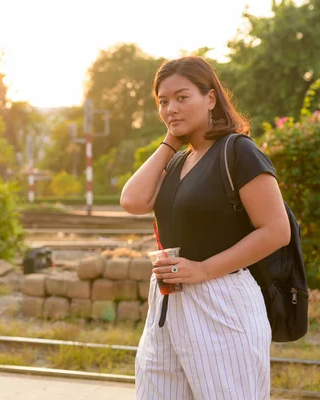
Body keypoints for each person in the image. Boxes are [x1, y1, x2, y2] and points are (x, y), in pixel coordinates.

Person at [120, 56, 291, 400]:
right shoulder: (181, 159)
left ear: (210, 98)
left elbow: (276, 230)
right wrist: (170, 141)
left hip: (222, 300)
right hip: (167, 304)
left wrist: (203, 269)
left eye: (182, 98)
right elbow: (133, 201)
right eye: (163, 102)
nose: (171, 108)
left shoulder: (238, 152)